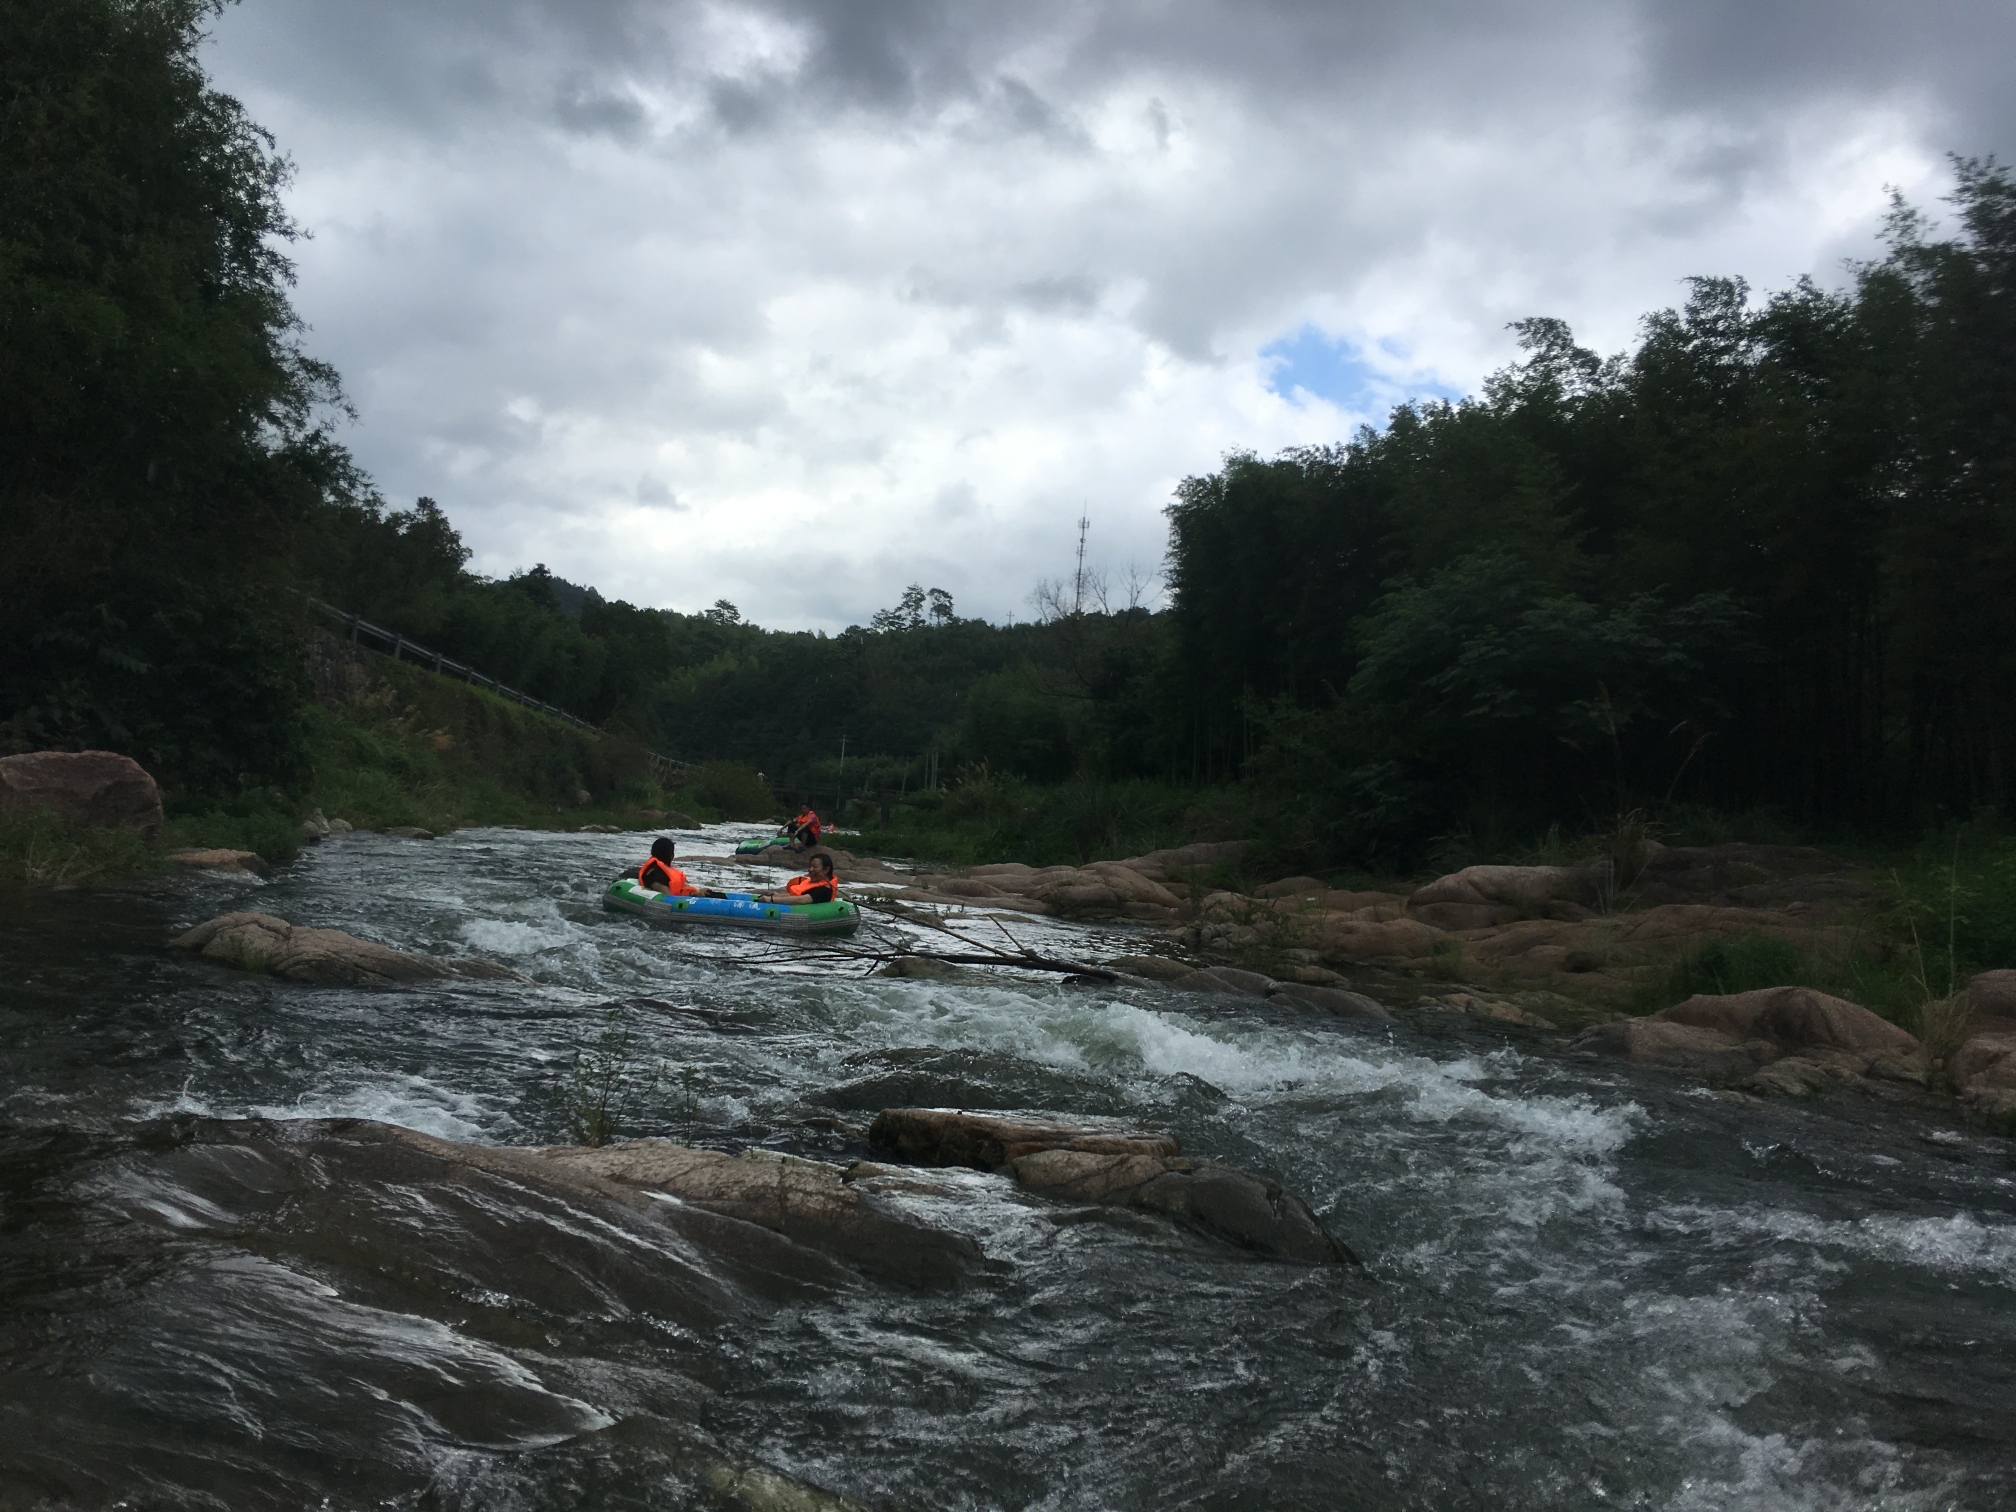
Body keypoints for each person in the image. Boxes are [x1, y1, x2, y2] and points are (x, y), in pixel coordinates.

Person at [637, 837, 705, 895]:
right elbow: (665, 893)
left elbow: (681, 888)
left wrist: (697, 891)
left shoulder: (660, 869)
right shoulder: (655, 874)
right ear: (670, 854)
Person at [766, 851, 837, 904]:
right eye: (810, 866)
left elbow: (801, 899)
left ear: (826, 870)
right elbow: (797, 894)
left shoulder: (824, 890)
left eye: (815, 867)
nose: (810, 869)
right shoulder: (812, 883)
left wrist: (771, 900)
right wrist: (778, 895)